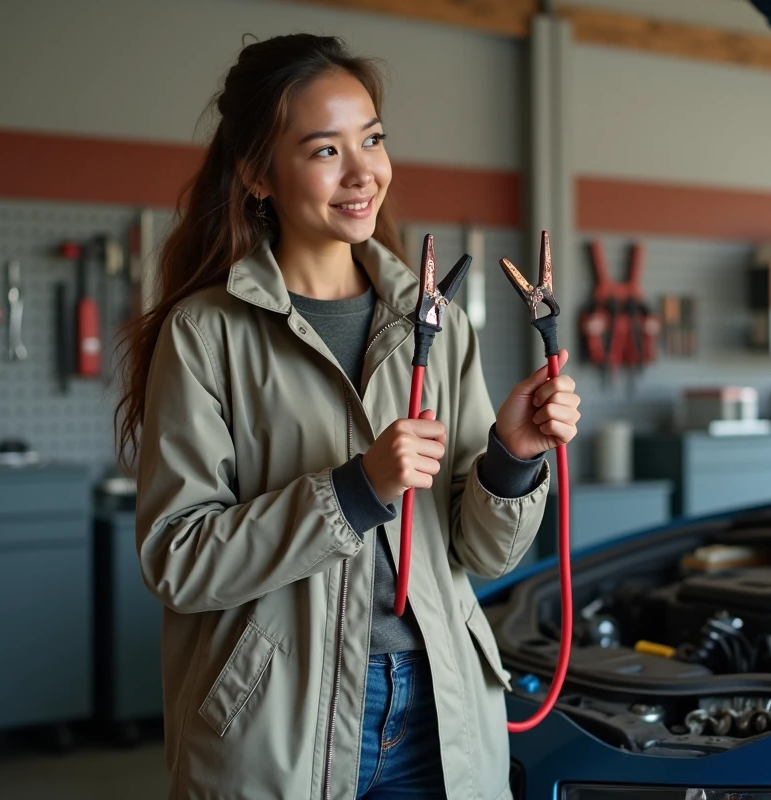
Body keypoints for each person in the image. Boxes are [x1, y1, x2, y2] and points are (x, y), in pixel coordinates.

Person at [116, 33, 581, 800]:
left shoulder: (437, 323)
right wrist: (356, 490)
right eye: (325, 150)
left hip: (439, 711)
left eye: (372, 139)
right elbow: (179, 558)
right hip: (278, 726)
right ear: (258, 174)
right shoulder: (206, 333)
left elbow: (483, 554)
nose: (364, 172)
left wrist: (511, 456)